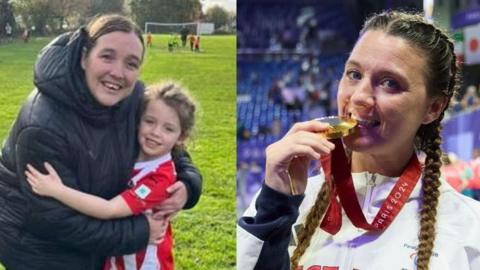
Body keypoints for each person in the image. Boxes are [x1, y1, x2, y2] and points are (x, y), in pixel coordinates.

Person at [237, 11, 480, 270]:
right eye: (354, 74)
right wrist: (275, 205)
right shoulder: (286, 203)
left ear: (433, 108)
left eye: (390, 83)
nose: (360, 97)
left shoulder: (468, 229)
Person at [0, 14, 202, 270]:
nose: (118, 73)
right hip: (41, 250)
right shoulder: (41, 126)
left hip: (102, 243)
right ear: (84, 57)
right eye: (107, 56)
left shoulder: (134, 99)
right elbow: (59, 222)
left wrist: (187, 184)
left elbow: (169, 147)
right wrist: (140, 232)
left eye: (131, 63)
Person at [25, 82, 197, 270]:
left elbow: (109, 209)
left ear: (181, 137)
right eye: (150, 121)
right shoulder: (133, 150)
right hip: (116, 256)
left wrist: (57, 190)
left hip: (143, 264)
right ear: (137, 121)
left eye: (168, 129)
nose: (155, 133)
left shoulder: (159, 179)